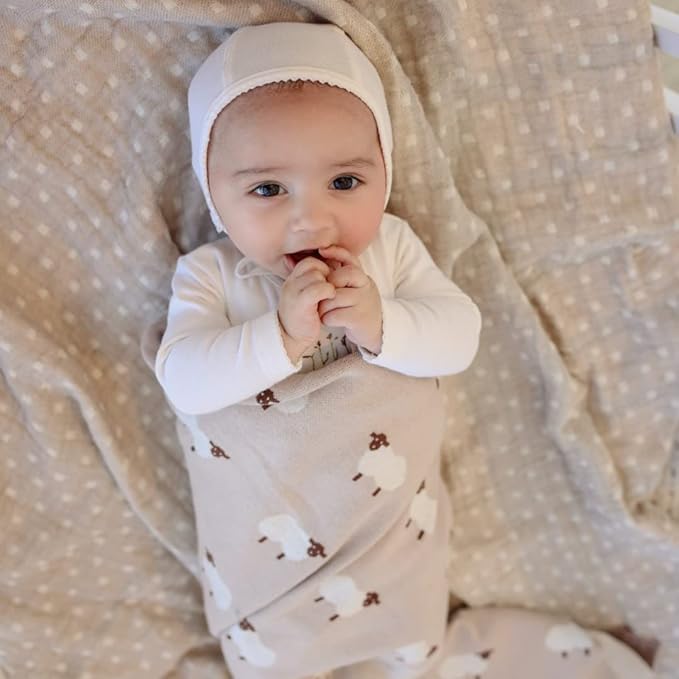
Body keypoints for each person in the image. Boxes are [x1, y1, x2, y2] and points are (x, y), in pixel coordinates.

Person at [147, 21, 656, 679]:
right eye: (268, 190)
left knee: (413, 643)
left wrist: (381, 322)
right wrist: (280, 337)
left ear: (384, 171)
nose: (312, 219)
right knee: (273, 662)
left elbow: (458, 335)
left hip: (390, 538)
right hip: (268, 566)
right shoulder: (211, 275)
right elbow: (183, 379)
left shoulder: (389, 250)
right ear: (214, 193)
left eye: (344, 182)